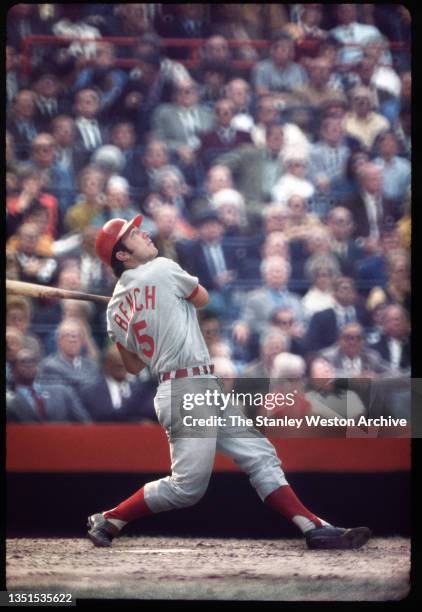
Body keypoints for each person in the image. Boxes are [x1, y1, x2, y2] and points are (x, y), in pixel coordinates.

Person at [87, 213, 371, 549]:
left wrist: (141, 309)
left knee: (260, 455)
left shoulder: (116, 308)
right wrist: (158, 299)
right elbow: (203, 299)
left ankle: (314, 528)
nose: (144, 233)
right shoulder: (162, 268)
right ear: (121, 254)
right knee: (186, 488)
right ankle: (108, 519)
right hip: (186, 390)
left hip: (198, 387)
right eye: (133, 234)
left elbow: (133, 366)